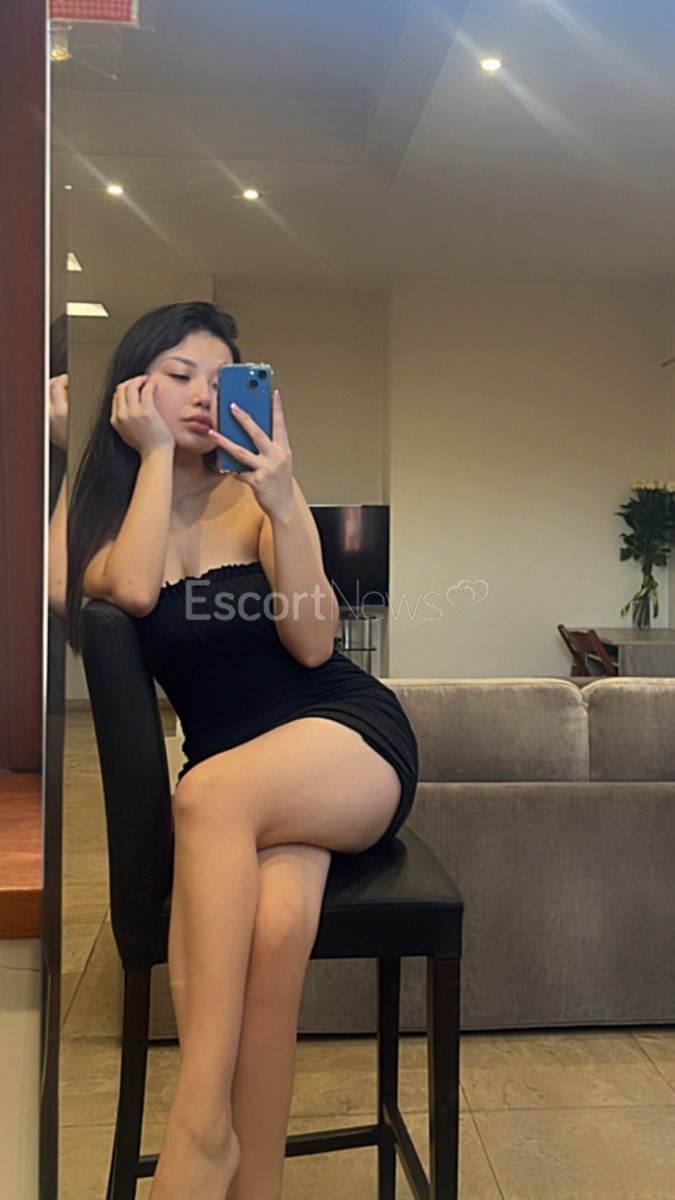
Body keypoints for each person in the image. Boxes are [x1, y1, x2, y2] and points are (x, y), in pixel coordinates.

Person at [65, 301, 418, 1200]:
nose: (199, 394)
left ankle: (196, 1129)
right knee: (274, 927)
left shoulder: (255, 501)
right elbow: (129, 589)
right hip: (245, 785)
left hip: (341, 738)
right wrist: (140, 456)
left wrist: (284, 497)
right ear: (133, 389)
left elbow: (313, 642)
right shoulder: (114, 526)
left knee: (206, 795)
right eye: (177, 374)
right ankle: (249, 1180)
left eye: (217, 380)